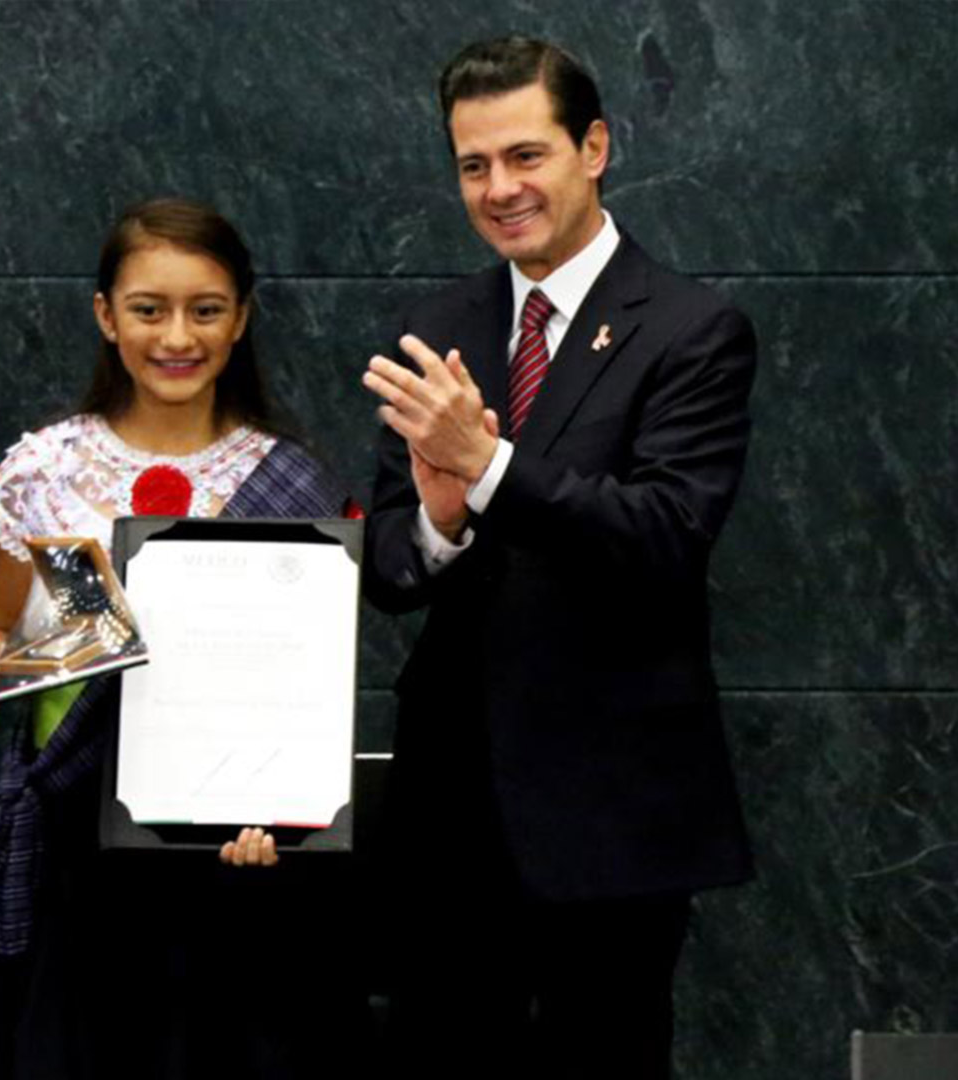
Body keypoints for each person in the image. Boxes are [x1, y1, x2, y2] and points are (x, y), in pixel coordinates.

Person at [359, 36, 756, 1079]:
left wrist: (486, 466)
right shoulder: (436, 325)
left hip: (613, 807)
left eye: (525, 156)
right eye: (473, 165)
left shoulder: (692, 328)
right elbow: (391, 574)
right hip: (453, 811)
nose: (500, 190)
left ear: (595, 147)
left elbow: (664, 534)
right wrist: (441, 517)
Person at [0, 198, 363, 1080]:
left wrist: (277, 810)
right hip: (71, 860)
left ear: (240, 319)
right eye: (148, 309)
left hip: (231, 863)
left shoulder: (290, 482)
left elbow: (308, 691)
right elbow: (3, 628)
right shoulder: (43, 471)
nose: (176, 336)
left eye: (205, 309)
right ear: (104, 315)